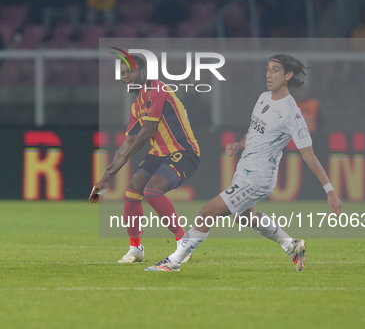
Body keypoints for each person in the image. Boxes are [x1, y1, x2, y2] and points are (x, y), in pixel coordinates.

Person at [146, 54, 342, 272]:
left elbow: (309, 154)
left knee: (206, 212)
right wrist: (238, 145)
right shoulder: (263, 98)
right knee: (245, 218)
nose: (269, 74)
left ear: (288, 75)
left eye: (275, 70)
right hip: (244, 171)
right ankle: (291, 245)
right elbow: (254, 131)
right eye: (268, 68)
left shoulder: (292, 113)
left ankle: (174, 261)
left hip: (259, 177)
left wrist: (329, 190)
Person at [89, 55, 200, 263]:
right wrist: (104, 180)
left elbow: (147, 132)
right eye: (122, 73)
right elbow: (126, 145)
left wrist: (114, 170)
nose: (125, 77)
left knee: (151, 191)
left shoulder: (157, 89)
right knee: (132, 192)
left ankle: (184, 242)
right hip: (158, 153)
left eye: (129, 71)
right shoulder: (137, 105)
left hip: (184, 152)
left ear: (143, 73)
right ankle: (135, 249)